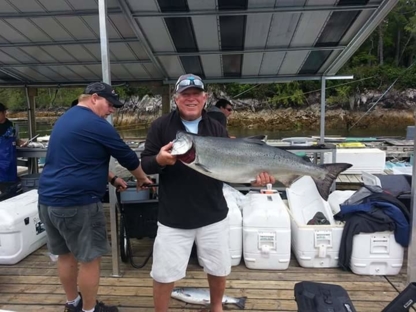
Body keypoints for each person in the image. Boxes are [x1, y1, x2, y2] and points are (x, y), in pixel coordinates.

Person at [140, 74, 275, 312]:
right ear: (176, 98)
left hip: (213, 213)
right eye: (185, 94)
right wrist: (160, 160)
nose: (190, 99)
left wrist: (254, 179)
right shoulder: (160, 126)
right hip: (174, 216)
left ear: (204, 98)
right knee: (163, 272)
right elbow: (146, 164)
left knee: (218, 267)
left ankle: (216, 307)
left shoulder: (216, 127)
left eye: (195, 94)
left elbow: (229, 167)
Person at [38, 82, 153, 312]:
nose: (112, 110)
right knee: (90, 259)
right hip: (77, 203)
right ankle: (89, 310)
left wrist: (111, 179)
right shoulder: (96, 124)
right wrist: (142, 179)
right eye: (110, 104)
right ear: (94, 98)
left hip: (48, 201)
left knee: (65, 254)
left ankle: (73, 303)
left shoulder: (66, 119)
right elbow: (128, 158)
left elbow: (78, 158)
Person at [0, 102, 26, 185]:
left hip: (11, 162)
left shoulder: (12, 125)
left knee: (11, 186)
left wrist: (21, 142)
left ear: (4, 112)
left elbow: (16, 140)